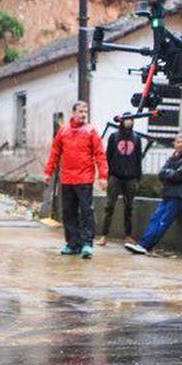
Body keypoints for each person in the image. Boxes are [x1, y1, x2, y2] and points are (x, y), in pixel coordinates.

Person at [44, 101, 108, 259]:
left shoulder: (91, 131)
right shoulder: (63, 131)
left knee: (86, 212)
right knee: (68, 213)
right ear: (73, 113)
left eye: (85, 111)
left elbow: (100, 154)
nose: (83, 114)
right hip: (67, 179)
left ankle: (87, 244)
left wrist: (103, 176)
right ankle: (73, 243)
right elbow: (55, 153)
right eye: (80, 111)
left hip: (84, 179)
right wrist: (48, 172)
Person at [126, 134, 182, 255]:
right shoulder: (173, 157)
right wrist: (170, 174)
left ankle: (146, 245)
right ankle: (144, 244)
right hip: (168, 194)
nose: (180, 144)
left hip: (179, 196)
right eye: (178, 142)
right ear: (174, 144)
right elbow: (161, 173)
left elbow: (178, 175)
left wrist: (168, 174)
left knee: (163, 221)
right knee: (156, 219)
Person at [98, 116, 144, 248]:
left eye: (131, 120)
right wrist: (106, 176)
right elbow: (108, 156)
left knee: (129, 207)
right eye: (127, 119)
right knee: (109, 206)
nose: (129, 122)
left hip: (130, 177)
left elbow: (138, 159)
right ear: (122, 121)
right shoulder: (114, 137)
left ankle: (128, 236)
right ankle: (104, 235)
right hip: (115, 177)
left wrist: (137, 178)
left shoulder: (136, 139)